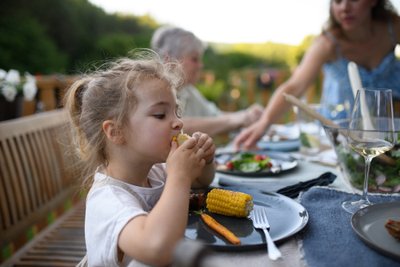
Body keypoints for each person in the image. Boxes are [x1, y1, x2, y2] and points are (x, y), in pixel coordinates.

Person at [64, 51, 216, 266]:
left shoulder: (155, 172)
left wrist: (205, 161)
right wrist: (180, 176)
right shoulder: (108, 200)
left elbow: (202, 181)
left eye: (177, 112)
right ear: (116, 132)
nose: (178, 123)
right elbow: (158, 249)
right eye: (160, 115)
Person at [234, 0, 400, 150]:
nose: (345, 8)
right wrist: (264, 123)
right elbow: (294, 86)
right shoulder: (327, 44)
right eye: (337, 1)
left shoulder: (393, 28)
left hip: (390, 132)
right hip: (342, 135)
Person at [151, 26, 264, 136]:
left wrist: (247, 116)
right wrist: (240, 118)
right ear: (170, 59)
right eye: (194, 59)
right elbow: (174, 126)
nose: (201, 65)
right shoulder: (153, 91)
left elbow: (215, 117)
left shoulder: (188, 91)